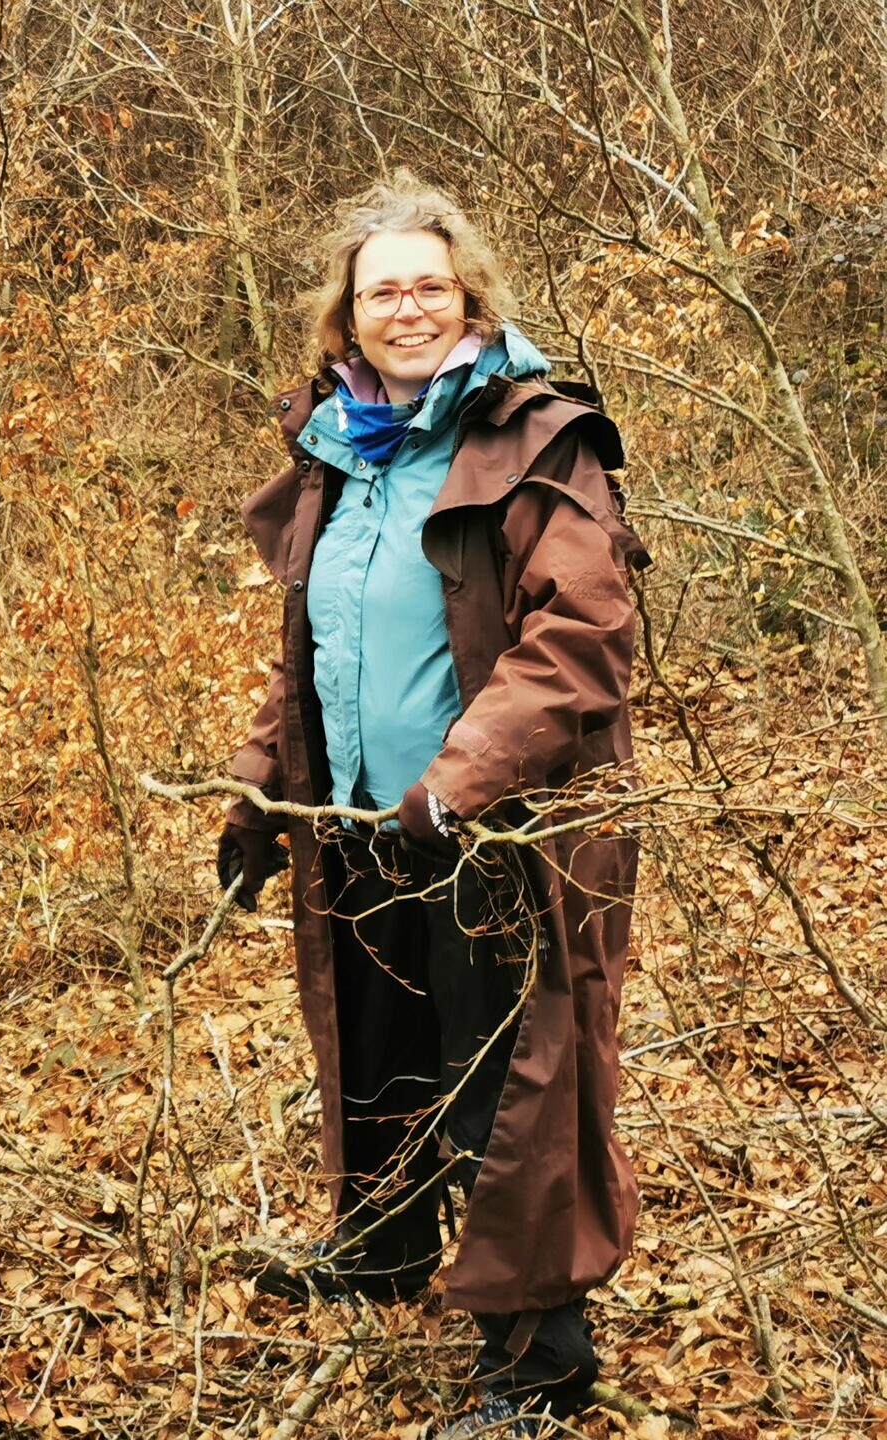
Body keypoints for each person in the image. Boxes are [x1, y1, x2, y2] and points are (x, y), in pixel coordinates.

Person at [217, 174, 649, 1438]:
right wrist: (261, 790)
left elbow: (581, 633)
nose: (406, 310)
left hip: (503, 832)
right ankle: (385, 1248)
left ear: (469, 298)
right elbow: (317, 650)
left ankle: (541, 1360)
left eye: (428, 287)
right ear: (346, 317)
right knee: (379, 1042)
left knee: (514, 1080)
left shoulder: (538, 438)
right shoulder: (337, 451)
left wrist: (461, 780)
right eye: (381, 293)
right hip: (363, 826)